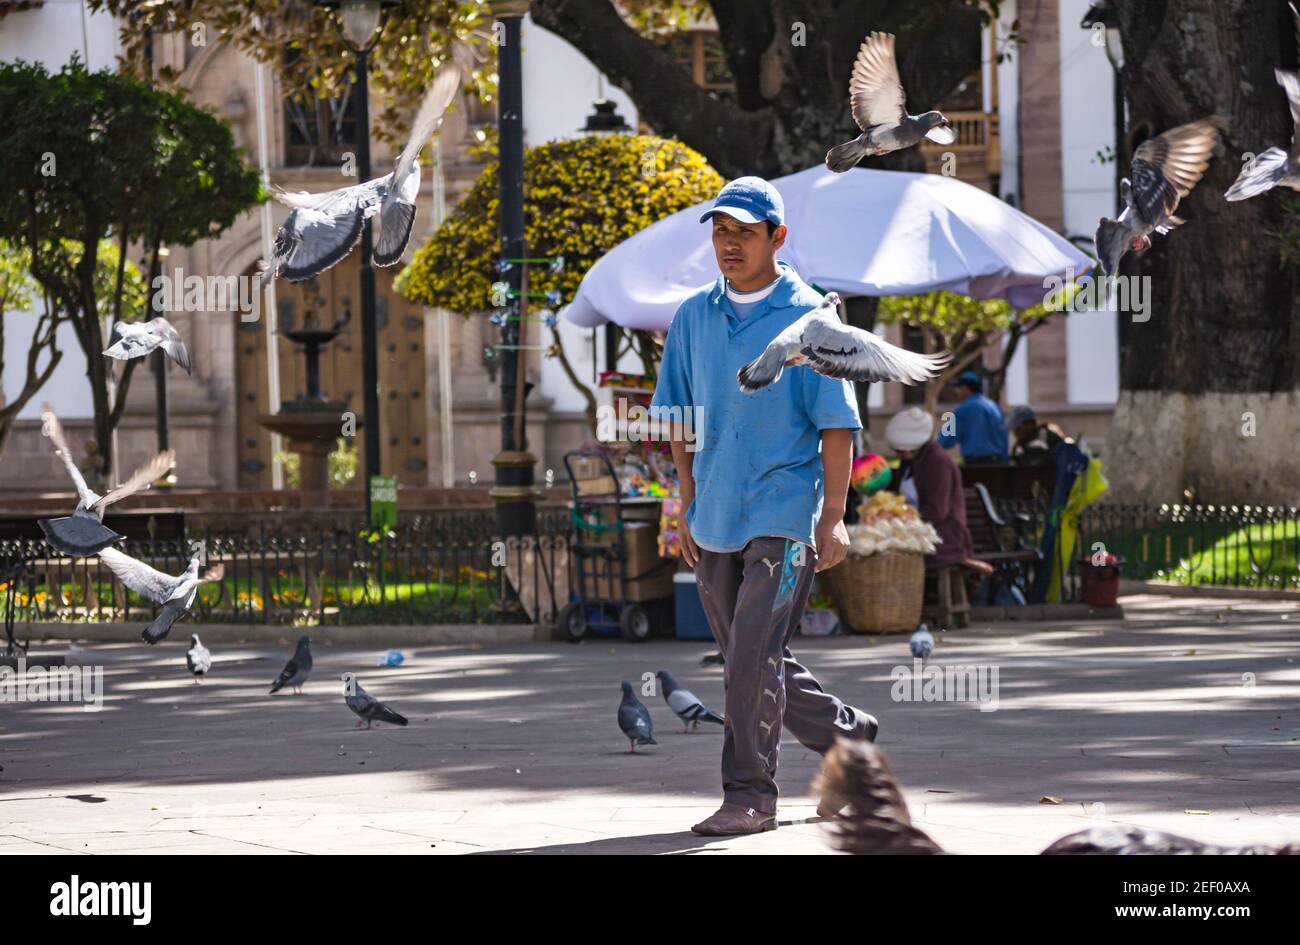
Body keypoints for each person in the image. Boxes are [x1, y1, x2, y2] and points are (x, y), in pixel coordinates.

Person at [650, 176, 878, 837]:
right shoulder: (693, 315)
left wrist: (832, 514)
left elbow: (837, 423)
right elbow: (679, 414)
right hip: (716, 509)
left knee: (751, 655)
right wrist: (686, 497)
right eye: (721, 232)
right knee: (751, 655)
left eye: (744, 233)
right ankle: (847, 735)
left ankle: (750, 793)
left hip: (785, 509)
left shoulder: (812, 319)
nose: (728, 244)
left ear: (778, 238)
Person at [886, 407, 992, 575]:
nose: (896, 454)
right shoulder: (911, 462)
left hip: (942, 540)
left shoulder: (937, 463)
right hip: (915, 533)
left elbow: (936, 511)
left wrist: (902, 517)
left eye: (899, 450)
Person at [936, 370, 1007, 463]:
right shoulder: (994, 407)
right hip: (998, 463)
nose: (957, 391)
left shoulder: (963, 409)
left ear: (966, 388)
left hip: (975, 465)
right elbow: (1004, 438)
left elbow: (945, 441)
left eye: (959, 388)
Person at [1006, 405, 1073, 466]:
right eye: (1014, 429)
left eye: (1018, 428)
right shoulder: (1019, 447)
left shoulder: (1049, 438)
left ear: (1031, 424)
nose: (1015, 433)